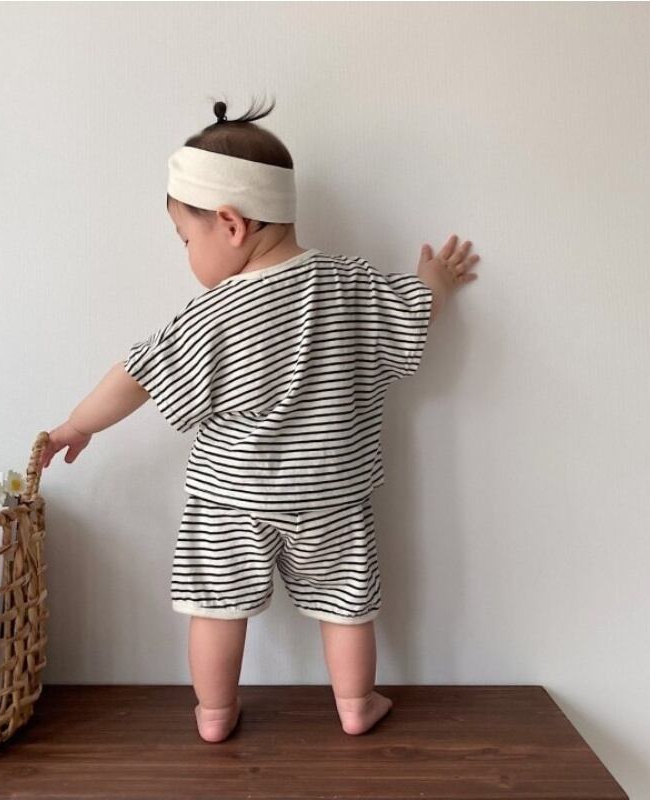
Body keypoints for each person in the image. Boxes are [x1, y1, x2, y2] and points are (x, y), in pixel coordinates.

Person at [41, 95, 480, 744]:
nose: (187, 254)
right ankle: (355, 704)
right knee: (346, 606)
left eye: (185, 239)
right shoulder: (350, 283)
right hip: (332, 493)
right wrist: (434, 277)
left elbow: (135, 375)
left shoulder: (212, 314)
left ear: (230, 224)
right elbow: (417, 306)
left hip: (231, 497)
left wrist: (77, 425)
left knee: (217, 608)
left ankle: (215, 714)